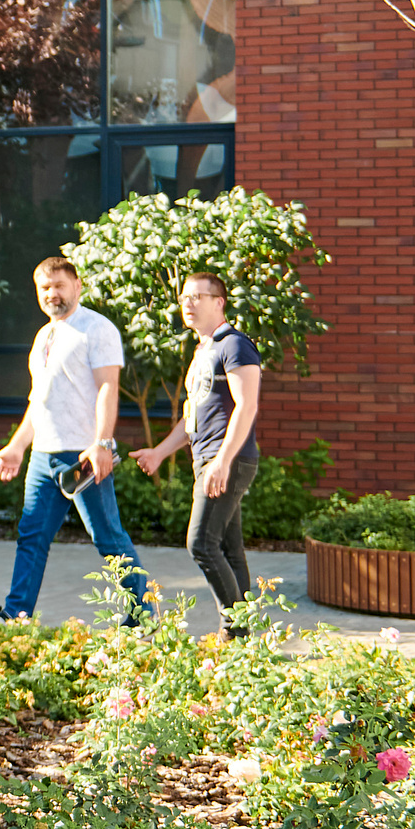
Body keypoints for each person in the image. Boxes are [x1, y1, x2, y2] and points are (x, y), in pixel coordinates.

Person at [0, 257, 149, 624]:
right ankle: (16, 613)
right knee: (31, 536)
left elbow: (108, 387)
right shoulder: (44, 335)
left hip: (83, 455)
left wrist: (102, 444)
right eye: (44, 288)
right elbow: (39, 399)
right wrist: (18, 445)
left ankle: (144, 614)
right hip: (44, 454)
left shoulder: (96, 328)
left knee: (108, 538)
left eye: (59, 285)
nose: (52, 294)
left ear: (77, 286)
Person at [133, 271, 263, 637]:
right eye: (184, 298)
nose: (187, 304)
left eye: (197, 297)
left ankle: (232, 630)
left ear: (218, 302)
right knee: (229, 548)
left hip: (227, 460)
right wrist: (159, 452)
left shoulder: (234, 345)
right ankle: (244, 640)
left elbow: (247, 406)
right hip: (209, 459)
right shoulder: (203, 350)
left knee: (201, 543)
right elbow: (193, 416)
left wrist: (222, 461)